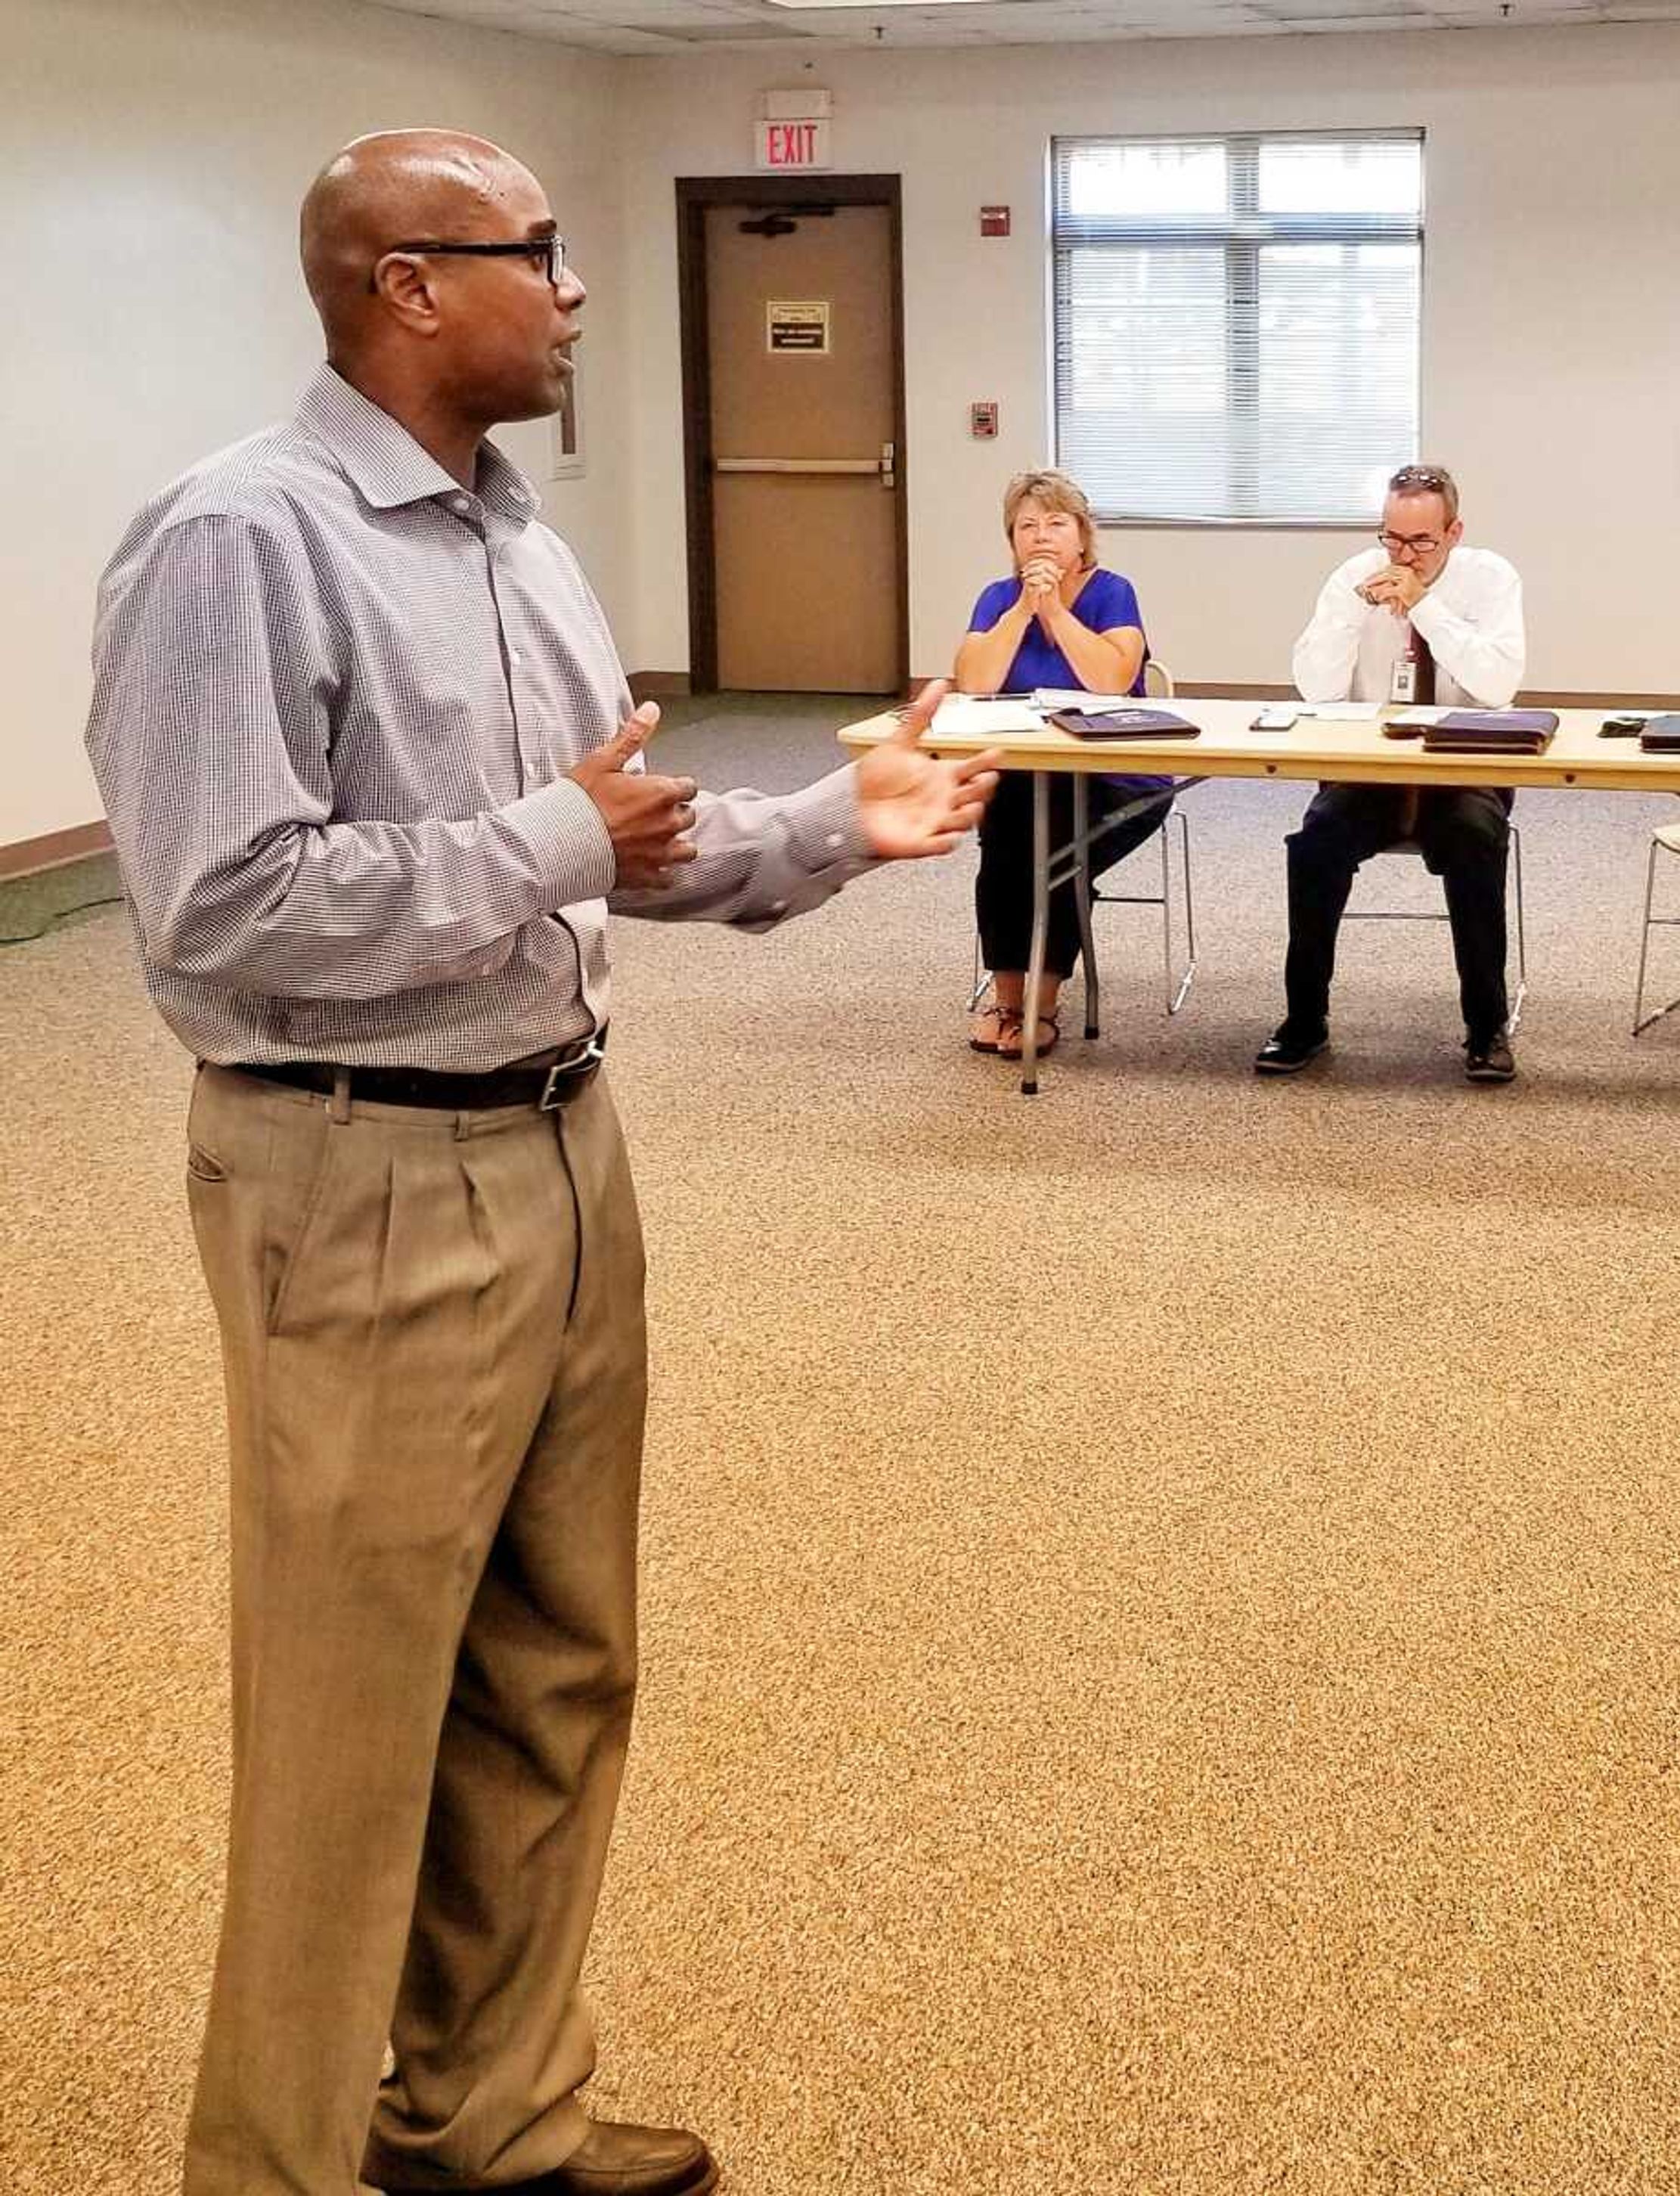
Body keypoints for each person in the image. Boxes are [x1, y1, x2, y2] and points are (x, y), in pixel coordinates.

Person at [82, 132, 1001, 2196]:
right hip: (358, 1173)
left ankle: (482, 2116)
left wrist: (851, 824)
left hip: (566, 1145)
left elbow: (627, 840)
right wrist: (563, 841)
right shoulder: (241, 540)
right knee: (349, 1724)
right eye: (541, 254)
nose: (577, 291)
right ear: (408, 286)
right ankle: (273, 2167)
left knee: (558, 1667)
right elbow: (223, 911)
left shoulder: (518, 542)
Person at [1259, 461, 1529, 1084]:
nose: (1404, 554)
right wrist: (1353, 616)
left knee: (1476, 841)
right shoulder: (1352, 578)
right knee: (1315, 844)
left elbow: (1497, 687)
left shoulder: (1491, 579)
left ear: (1454, 532)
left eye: (1421, 541)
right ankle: (1305, 1020)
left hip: (1464, 768)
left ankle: (1486, 1026)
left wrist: (1426, 608)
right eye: (1392, 537)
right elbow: (1317, 692)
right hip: (1369, 767)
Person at [950, 468, 1164, 1058]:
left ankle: (1042, 1007)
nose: (1041, 537)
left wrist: (1055, 614)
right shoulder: (998, 598)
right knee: (1006, 845)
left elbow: (1113, 680)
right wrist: (1023, 609)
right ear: (1011, 540)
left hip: (1117, 777)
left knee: (1054, 853)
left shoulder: (1112, 592)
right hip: (1024, 776)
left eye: (1055, 524)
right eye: (1026, 527)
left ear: (1082, 537)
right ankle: (1007, 1002)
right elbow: (973, 682)